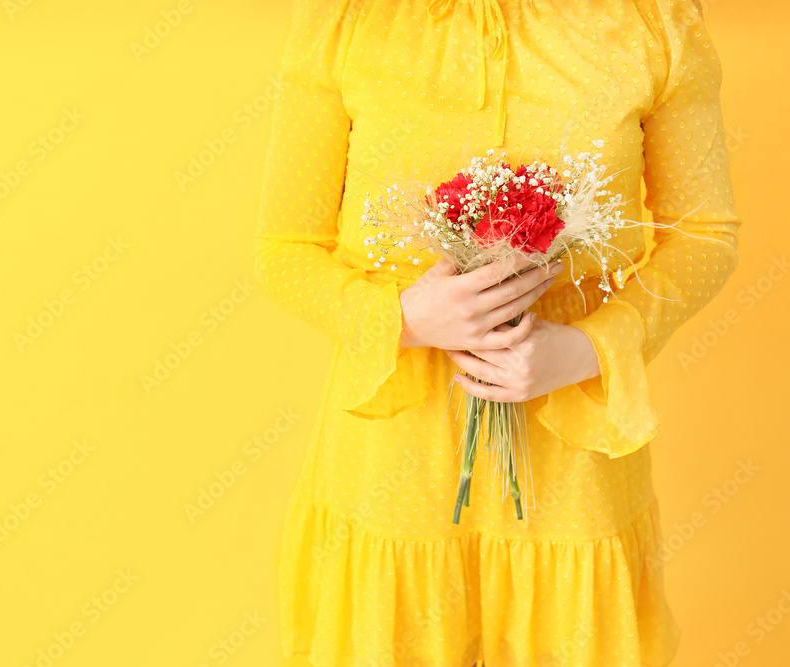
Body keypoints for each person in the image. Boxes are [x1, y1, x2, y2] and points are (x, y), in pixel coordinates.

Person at [253, 0, 740, 664]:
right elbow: (285, 247)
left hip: (574, 481)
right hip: (389, 476)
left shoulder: (655, 23)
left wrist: (591, 348)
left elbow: (706, 234)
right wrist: (401, 319)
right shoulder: (347, 20)